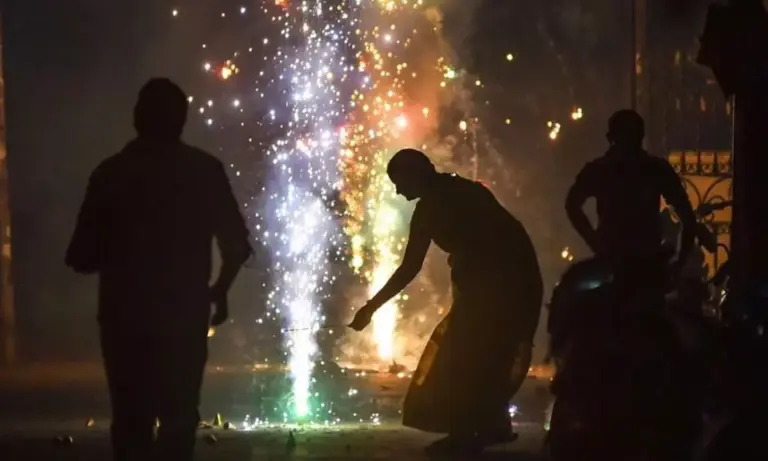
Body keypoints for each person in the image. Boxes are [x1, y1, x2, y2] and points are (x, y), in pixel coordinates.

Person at [66, 78, 251, 461]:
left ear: (137, 118)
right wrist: (219, 291)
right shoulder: (204, 171)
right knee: (179, 418)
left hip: (124, 318)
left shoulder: (110, 175)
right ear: (181, 121)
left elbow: (79, 257)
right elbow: (236, 245)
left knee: (131, 420)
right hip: (185, 315)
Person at [349, 148, 543, 455]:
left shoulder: (438, 204)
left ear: (417, 174)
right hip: (506, 279)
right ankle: (486, 427)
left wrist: (371, 307)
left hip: (499, 283)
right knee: (483, 355)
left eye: (399, 182)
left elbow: (410, 268)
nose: (398, 191)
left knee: (463, 356)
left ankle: (468, 433)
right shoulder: (457, 192)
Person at [565, 109, 698, 302]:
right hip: (647, 267)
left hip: (612, 262)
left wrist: (594, 241)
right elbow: (688, 219)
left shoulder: (601, 169)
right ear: (641, 136)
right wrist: (678, 262)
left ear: (610, 137)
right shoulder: (655, 169)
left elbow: (572, 204)